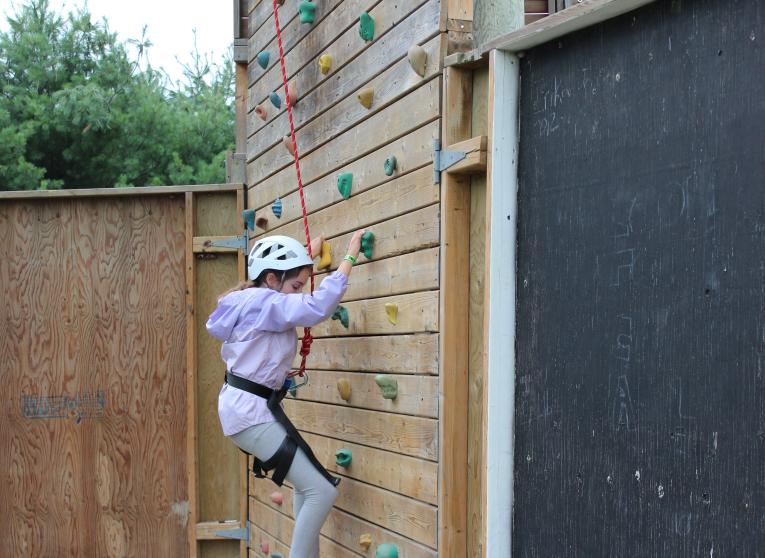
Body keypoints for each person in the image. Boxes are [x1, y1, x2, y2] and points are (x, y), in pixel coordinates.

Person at [206, 230, 365, 558]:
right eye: (294, 286)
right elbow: (318, 306)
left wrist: (305, 256)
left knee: (309, 488)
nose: (296, 294)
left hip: (247, 407)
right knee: (320, 491)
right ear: (271, 278)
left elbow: (264, 339)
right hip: (251, 413)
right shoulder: (266, 302)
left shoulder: (253, 298)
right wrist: (349, 258)